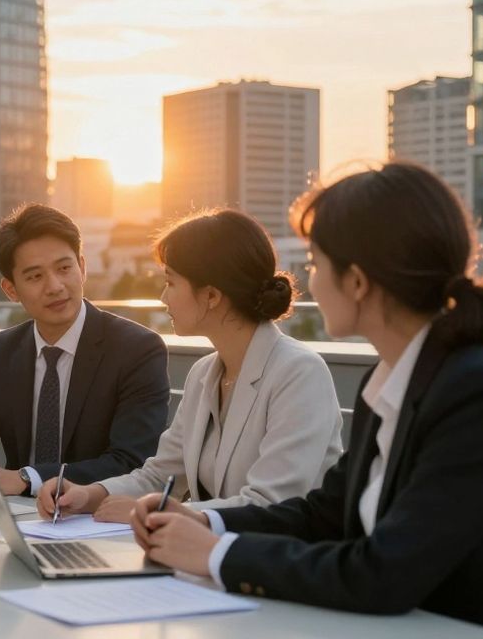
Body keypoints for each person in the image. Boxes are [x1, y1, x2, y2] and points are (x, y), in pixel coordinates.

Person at [130, 162, 483, 639]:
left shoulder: (478, 392)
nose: (307, 280)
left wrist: (216, 554)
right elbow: (322, 514)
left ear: (357, 281)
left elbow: (385, 572)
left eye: (315, 263)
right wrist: (205, 521)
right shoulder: (391, 380)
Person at [39, 209, 343, 521]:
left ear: (211, 295)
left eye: (170, 282)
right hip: (211, 546)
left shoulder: (300, 373)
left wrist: (153, 511)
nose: (163, 297)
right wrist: (88, 494)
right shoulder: (204, 374)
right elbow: (159, 476)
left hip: (282, 548)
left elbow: (270, 503)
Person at [0, 203, 171, 497]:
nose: (55, 286)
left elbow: (131, 461)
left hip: (95, 514)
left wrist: (27, 478)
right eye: (35, 276)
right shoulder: (2, 351)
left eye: (64, 268)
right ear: (11, 290)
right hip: (17, 513)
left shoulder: (136, 349)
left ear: (82, 267)